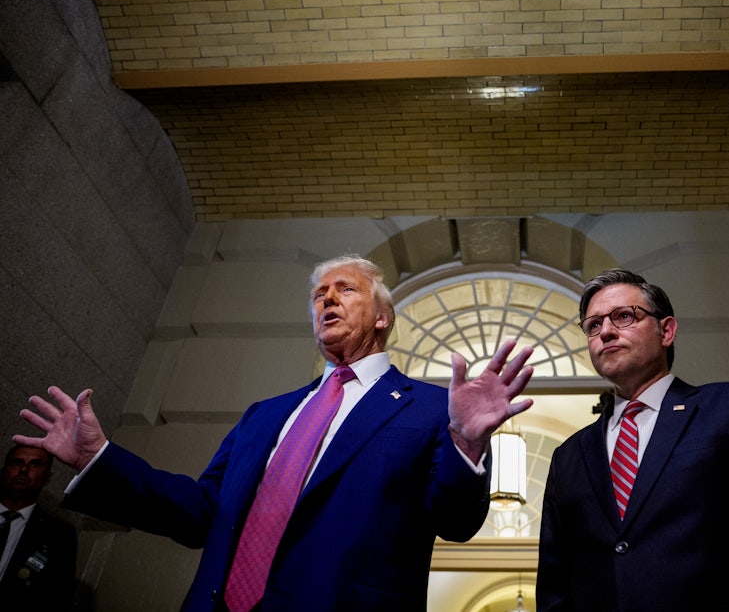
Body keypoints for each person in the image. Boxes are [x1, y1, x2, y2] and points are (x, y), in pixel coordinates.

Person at [14, 255, 534, 612]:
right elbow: (200, 514)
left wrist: (467, 442)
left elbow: (458, 522)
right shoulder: (265, 414)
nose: (326, 300)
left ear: (382, 317)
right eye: (318, 295)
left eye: (344, 290)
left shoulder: (426, 409)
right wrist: (99, 459)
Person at [536, 268, 729, 611]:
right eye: (593, 325)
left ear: (666, 331)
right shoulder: (568, 456)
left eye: (624, 316)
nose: (606, 332)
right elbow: (555, 586)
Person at [0, 444, 78, 611]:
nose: (23, 469)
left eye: (35, 464)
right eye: (16, 462)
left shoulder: (60, 535)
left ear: (47, 477)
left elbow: (57, 597)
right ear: (4, 471)